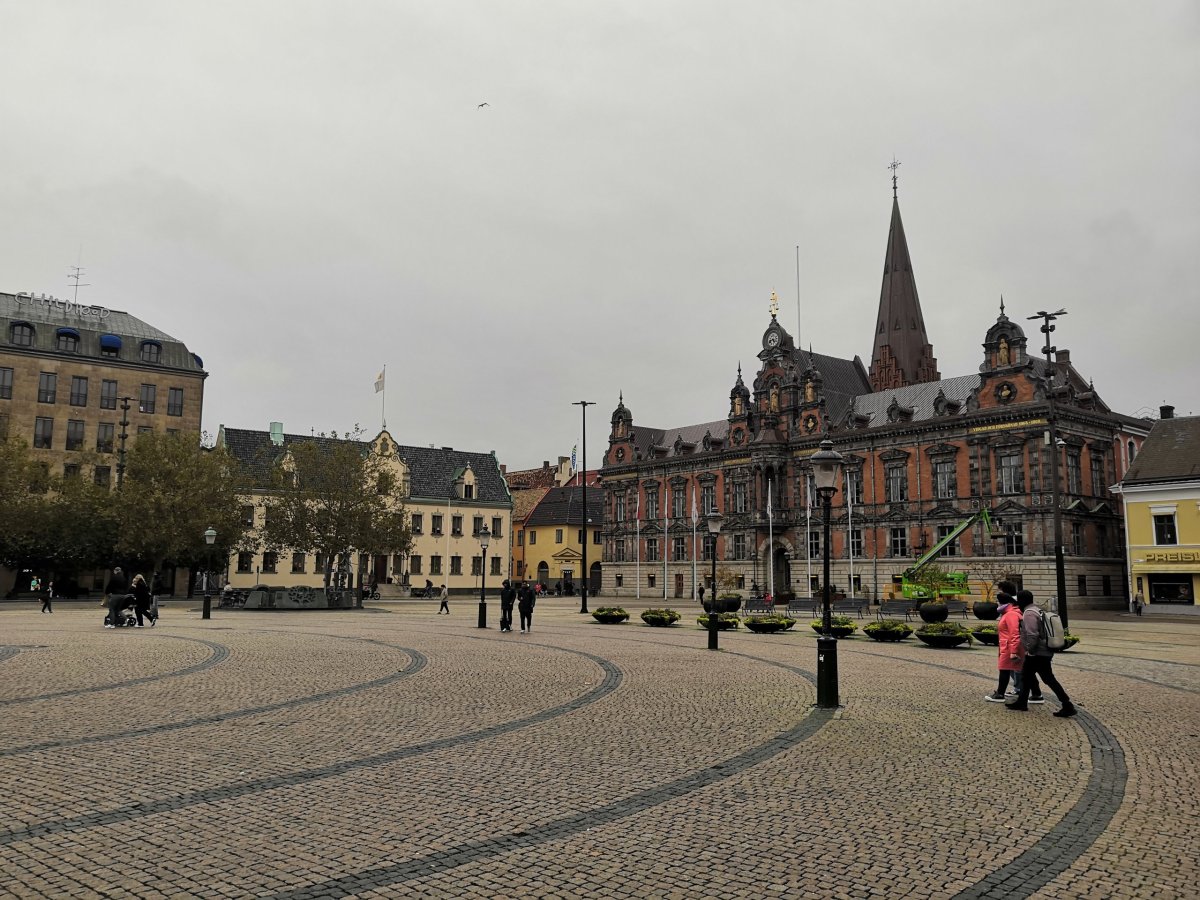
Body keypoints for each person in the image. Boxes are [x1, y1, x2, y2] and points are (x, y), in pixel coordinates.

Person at [1007, 590, 1076, 717]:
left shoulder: (1028, 614)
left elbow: (1032, 634)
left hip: (1038, 653)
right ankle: (1021, 702)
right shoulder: (1037, 610)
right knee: (1028, 677)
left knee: (1047, 678)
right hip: (1042, 651)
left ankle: (1067, 704)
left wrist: (1030, 650)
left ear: (1021, 601)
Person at [984, 589, 1042, 703]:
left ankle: (1000, 694)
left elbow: (1014, 633)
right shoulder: (1014, 612)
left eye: (999, 602)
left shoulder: (1010, 614)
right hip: (1011, 646)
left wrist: (1013, 651)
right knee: (1025, 670)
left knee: (1004, 669)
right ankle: (1036, 694)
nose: (998, 604)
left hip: (1009, 646)